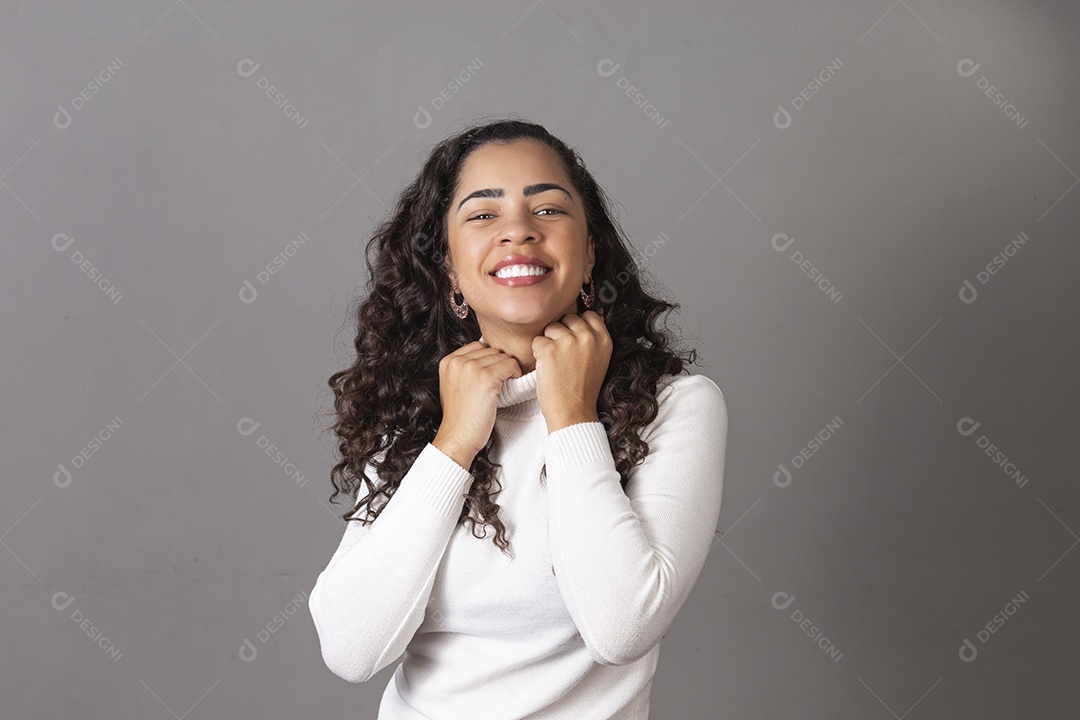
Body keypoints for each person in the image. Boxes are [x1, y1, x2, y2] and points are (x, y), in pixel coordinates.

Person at [309, 116, 728, 719]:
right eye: (483, 215)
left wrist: (572, 416)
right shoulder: (420, 412)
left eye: (549, 210)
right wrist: (453, 442)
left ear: (588, 258)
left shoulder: (675, 408)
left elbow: (621, 630)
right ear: (450, 270)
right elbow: (351, 649)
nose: (518, 233)